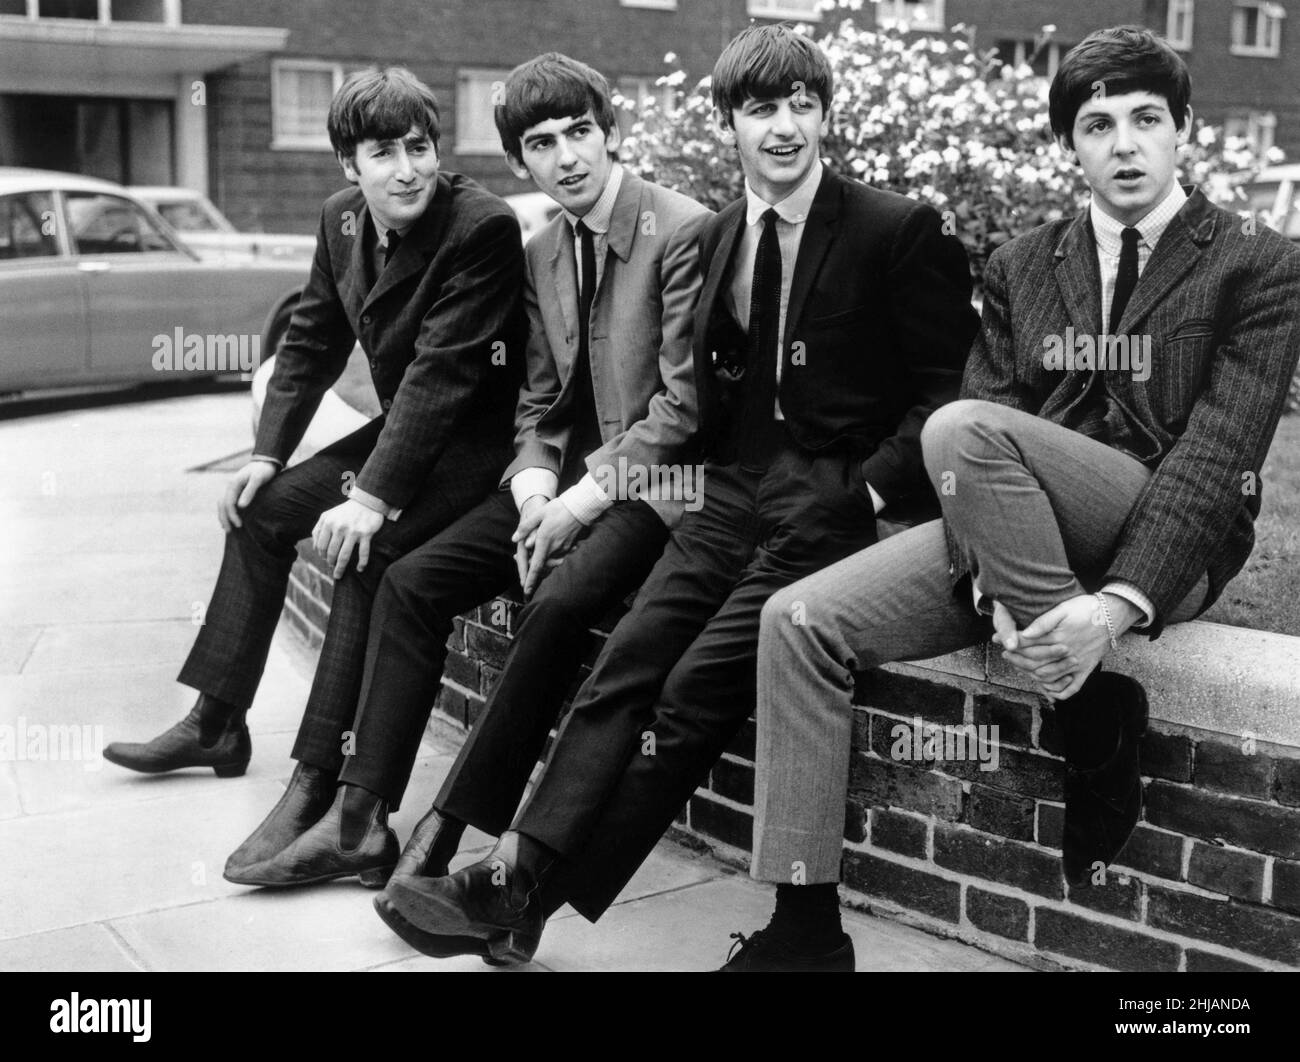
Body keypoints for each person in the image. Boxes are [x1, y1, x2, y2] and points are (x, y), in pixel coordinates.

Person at [385, 23, 978, 966]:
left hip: (833, 503)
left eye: (801, 107)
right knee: (624, 660)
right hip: (727, 493)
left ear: (825, 114)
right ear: (730, 124)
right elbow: (705, 399)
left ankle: (520, 885)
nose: (783, 129)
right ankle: (515, 881)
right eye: (760, 110)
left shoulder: (893, 229)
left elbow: (951, 390)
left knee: (697, 688)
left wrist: (865, 493)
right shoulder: (718, 237)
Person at [727, 25, 1300, 971]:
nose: (1124, 145)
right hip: (1016, 527)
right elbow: (994, 418)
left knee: (956, 427)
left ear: (1184, 130)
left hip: (1160, 532)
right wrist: (1000, 572)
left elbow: (1215, 460)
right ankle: (804, 928)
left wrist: (1112, 610)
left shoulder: (1256, 262)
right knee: (796, 621)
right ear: (1069, 145)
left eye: (1146, 120)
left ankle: (1081, 701)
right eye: (1096, 124)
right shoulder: (1026, 262)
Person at [222, 54, 711, 913]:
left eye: (581, 134)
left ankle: (446, 831)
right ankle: (359, 818)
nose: (567, 158)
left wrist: (572, 502)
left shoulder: (685, 229)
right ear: (519, 161)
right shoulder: (544, 248)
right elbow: (536, 398)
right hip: (552, 486)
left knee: (553, 607)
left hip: (652, 487)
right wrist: (531, 489)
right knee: (408, 581)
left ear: (611, 130)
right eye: (541, 144)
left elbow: (681, 410)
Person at [103, 68, 526, 887]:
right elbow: (309, 341)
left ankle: (319, 788)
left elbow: (442, 378)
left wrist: (370, 498)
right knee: (262, 514)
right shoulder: (339, 222)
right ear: (347, 165)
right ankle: (218, 721)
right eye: (383, 152)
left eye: (420, 147)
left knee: (362, 554)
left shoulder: (481, 227)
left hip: (474, 448)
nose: (408, 168)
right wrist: (267, 455)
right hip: (403, 434)